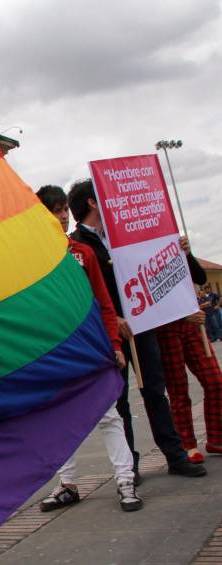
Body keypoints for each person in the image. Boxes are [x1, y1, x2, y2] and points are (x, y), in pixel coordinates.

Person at [67, 178, 205, 480]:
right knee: (121, 400)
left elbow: (183, 273)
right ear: (92, 202)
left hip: (141, 327)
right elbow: (79, 295)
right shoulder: (75, 245)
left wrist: (180, 250)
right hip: (110, 335)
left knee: (156, 391)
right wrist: (113, 319)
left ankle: (175, 455)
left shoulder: (123, 237)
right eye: (103, 197)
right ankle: (131, 466)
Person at [35, 185, 142, 512]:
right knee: (58, 420)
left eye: (65, 208)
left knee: (109, 415)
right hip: (53, 354)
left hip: (90, 349)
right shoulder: (29, 260)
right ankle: (67, 484)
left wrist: (113, 344)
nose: (64, 215)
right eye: (56, 210)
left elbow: (105, 304)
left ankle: (126, 480)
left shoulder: (83, 252)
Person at [156, 243, 222, 462]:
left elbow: (201, 278)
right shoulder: (139, 252)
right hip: (166, 328)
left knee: (215, 381)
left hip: (194, 325)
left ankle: (215, 438)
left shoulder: (174, 245)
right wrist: (183, 315)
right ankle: (188, 444)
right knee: (178, 390)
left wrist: (188, 253)